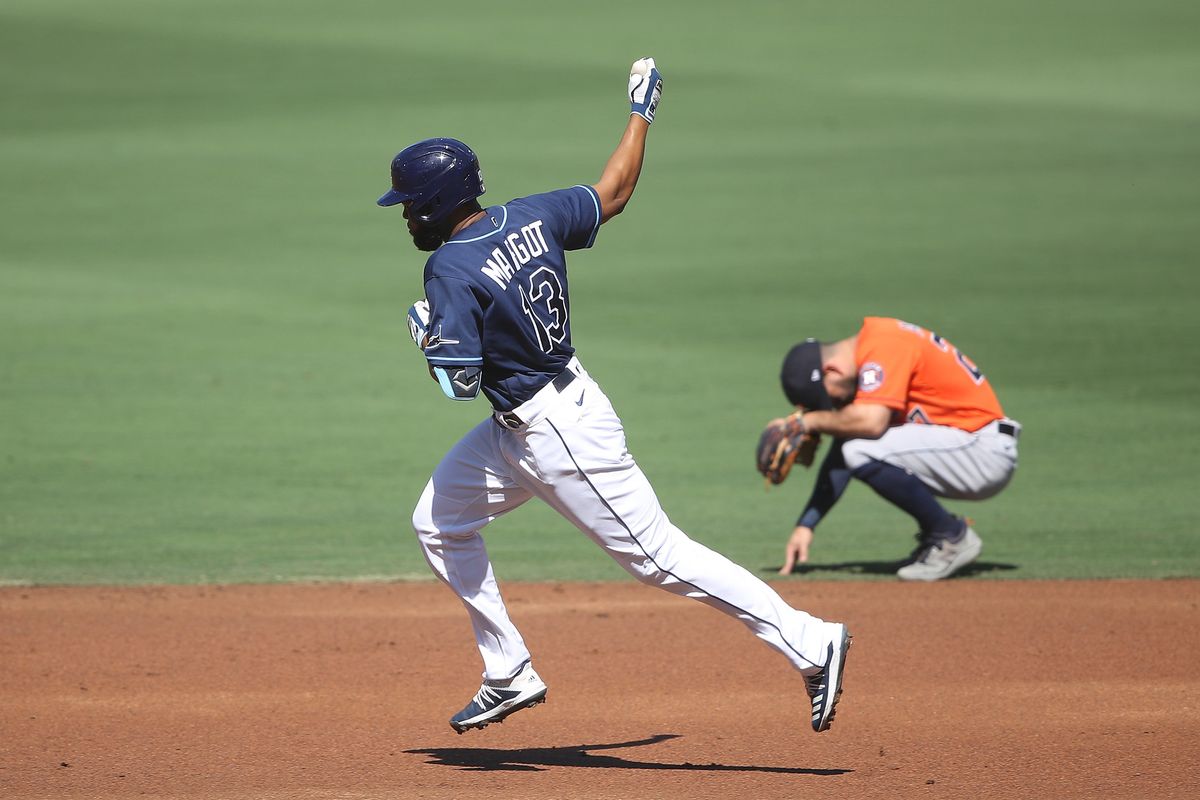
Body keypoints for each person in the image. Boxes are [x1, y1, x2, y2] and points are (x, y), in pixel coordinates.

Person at [378, 58, 851, 735]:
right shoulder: (533, 214)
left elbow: (457, 382)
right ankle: (508, 669)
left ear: (431, 204)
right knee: (438, 521)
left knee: (660, 558)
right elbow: (616, 190)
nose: (402, 219)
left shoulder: (447, 266)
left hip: (556, 432)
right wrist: (641, 111)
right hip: (533, 421)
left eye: (406, 206)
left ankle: (811, 640)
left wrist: (427, 340)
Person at [772, 317, 1020, 581]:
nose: (834, 405)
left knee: (859, 447)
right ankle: (939, 536)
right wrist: (806, 525)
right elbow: (843, 452)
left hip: (981, 451)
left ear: (832, 370)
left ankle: (949, 535)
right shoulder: (875, 352)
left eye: (830, 398)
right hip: (965, 447)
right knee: (855, 445)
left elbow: (870, 425)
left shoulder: (884, 344)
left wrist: (808, 421)